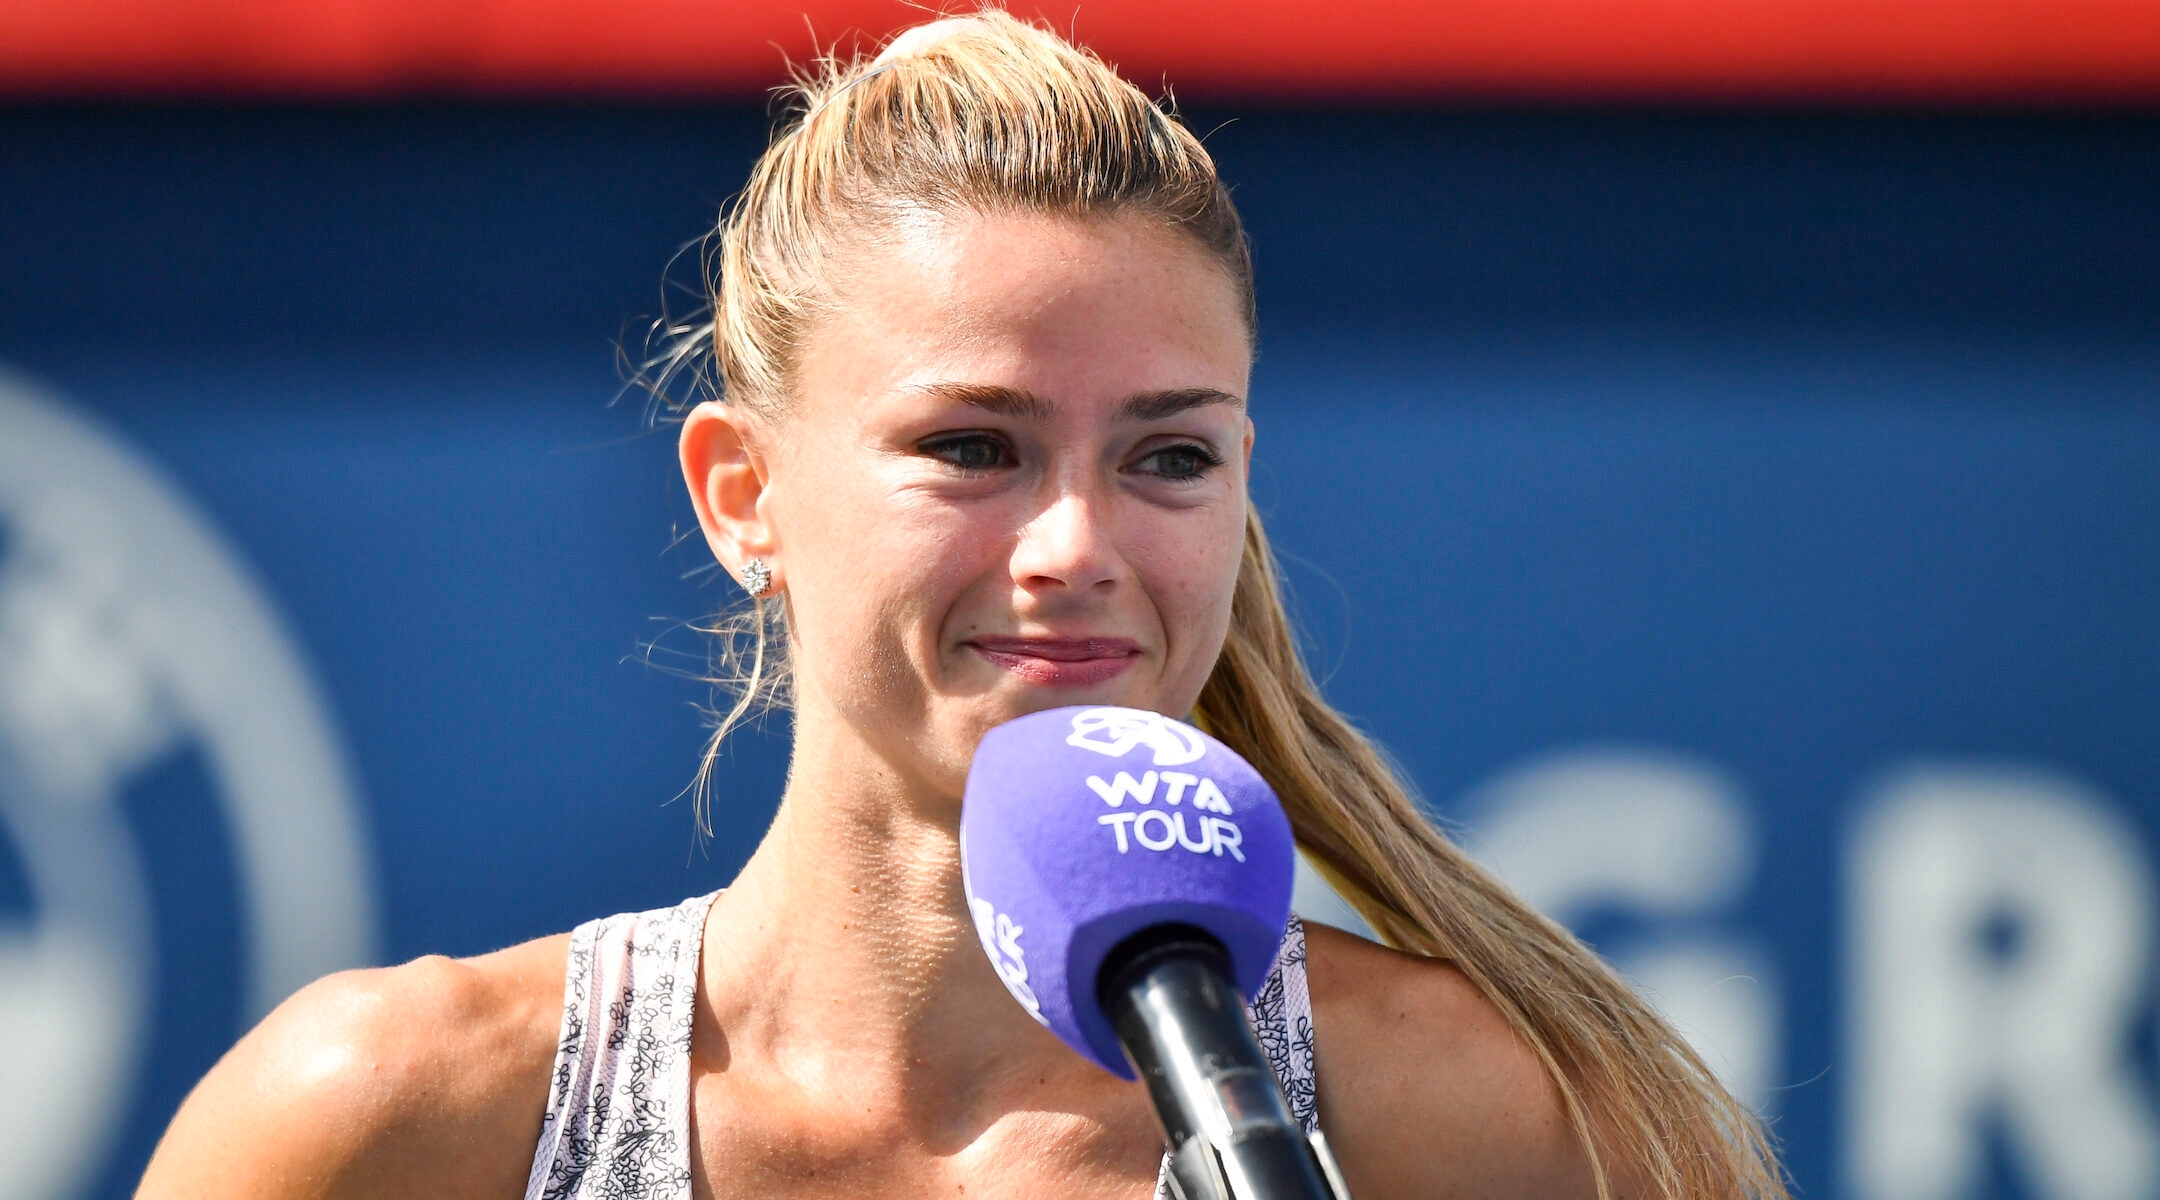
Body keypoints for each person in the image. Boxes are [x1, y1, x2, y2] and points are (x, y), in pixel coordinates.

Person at [136, 11, 1785, 1199]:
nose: (1075, 540)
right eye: (972, 446)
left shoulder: (1458, 1121)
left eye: (1169, 457)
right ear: (742, 495)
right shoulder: (395, 1120)